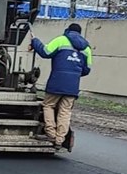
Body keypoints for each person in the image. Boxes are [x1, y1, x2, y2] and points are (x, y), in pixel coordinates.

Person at [30, 23, 92, 151]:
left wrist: (35, 42)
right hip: (73, 86)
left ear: (68, 30)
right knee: (65, 111)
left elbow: (45, 52)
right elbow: (87, 70)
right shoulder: (87, 48)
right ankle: (60, 139)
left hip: (56, 82)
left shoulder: (61, 40)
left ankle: (51, 134)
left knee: (48, 105)